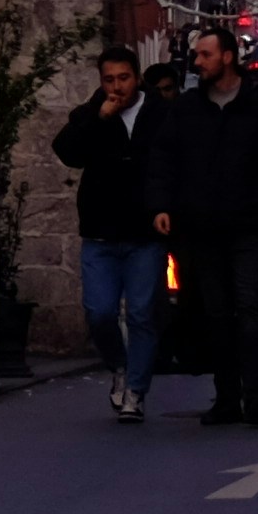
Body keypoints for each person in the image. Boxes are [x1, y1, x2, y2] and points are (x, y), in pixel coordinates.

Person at [140, 23, 258, 428]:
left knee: (249, 309)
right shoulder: (189, 108)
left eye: (205, 55)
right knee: (216, 313)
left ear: (227, 57)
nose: (197, 61)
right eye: (197, 55)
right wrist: (161, 205)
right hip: (203, 229)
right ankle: (226, 397)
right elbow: (163, 159)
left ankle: (255, 393)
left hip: (249, 226)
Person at [49, 47, 159, 421]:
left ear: (137, 77)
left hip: (145, 233)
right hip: (100, 233)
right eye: (109, 79)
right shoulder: (90, 113)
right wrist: (99, 119)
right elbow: (67, 152)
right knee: (100, 313)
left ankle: (136, 392)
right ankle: (119, 366)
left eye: (123, 78)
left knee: (143, 313)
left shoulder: (159, 113)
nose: (117, 87)